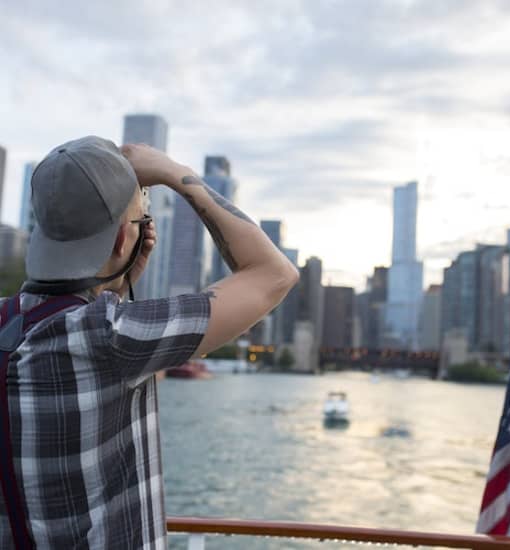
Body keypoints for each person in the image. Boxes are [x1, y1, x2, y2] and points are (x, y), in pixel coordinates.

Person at [0, 136, 298, 549]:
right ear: (124, 239)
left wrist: (117, 288)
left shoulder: (11, 320)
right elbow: (274, 274)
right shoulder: (113, 338)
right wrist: (174, 173)